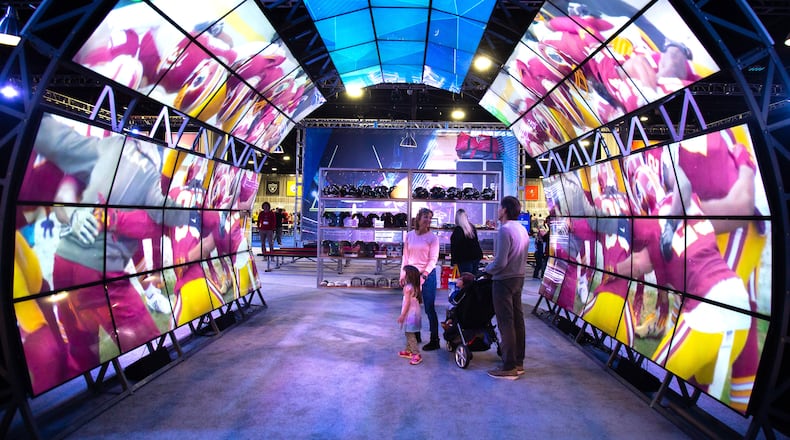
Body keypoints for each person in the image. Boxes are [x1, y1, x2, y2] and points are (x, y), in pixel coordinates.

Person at [485, 196, 530, 379]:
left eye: (499, 208)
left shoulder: (505, 230)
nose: (498, 211)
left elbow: (501, 262)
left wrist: (487, 269)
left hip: (503, 280)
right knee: (518, 321)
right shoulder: (521, 229)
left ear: (504, 210)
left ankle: (508, 367)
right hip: (519, 278)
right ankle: (518, 362)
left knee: (506, 323)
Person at [400, 207, 440, 351]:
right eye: (425, 217)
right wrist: (402, 274)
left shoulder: (433, 238)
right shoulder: (409, 235)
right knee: (412, 308)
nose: (428, 220)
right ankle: (415, 335)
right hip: (411, 274)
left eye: (430, 218)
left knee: (429, 308)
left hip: (427, 276)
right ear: (419, 218)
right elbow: (405, 257)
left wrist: (424, 275)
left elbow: (433, 259)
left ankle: (435, 339)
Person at [397, 265, 423, 366]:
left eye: (403, 272)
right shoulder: (415, 286)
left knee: (410, 334)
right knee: (409, 332)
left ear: (408, 275)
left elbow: (407, 303)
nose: (402, 273)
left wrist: (402, 315)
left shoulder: (407, 288)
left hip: (409, 315)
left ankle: (416, 354)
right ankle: (408, 351)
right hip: (416, 314)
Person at [450, 208, 483, 275]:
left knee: (465, 281)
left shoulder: (458, 230)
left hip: (464, 259)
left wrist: (453, 261)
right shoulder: (471, 227)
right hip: (476, 257)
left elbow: (454, 246)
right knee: (473, 279)